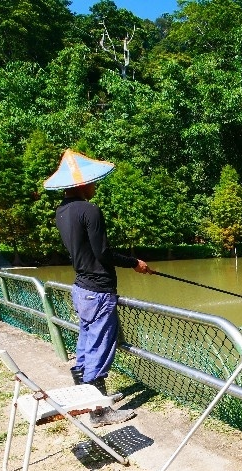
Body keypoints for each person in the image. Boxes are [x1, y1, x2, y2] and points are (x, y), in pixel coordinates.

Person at [43, 149, 152, 427]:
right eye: (91, 183)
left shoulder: (62, 211)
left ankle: (85, 396)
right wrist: (134, 263)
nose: (94, 187)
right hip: (99, 290)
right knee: (100, 347)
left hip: (81, 288)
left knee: (85, 342)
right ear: (80, 184)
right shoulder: (89, 211)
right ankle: (99, 412)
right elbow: (103, 253)